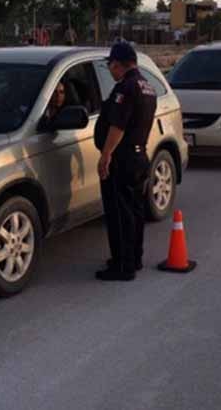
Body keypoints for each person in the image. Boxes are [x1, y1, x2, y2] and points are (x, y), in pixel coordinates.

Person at [93, 42, 157, 281]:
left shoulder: (126, 88)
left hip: (123, 159)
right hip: (139, 155)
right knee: (135, 212)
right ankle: (134, 258)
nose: (110, 70)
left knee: (119, 214)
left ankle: (122, 266)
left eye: (110, 65)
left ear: (118, 64)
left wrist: (106, 154)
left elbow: (118, 125)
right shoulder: (147, 86)